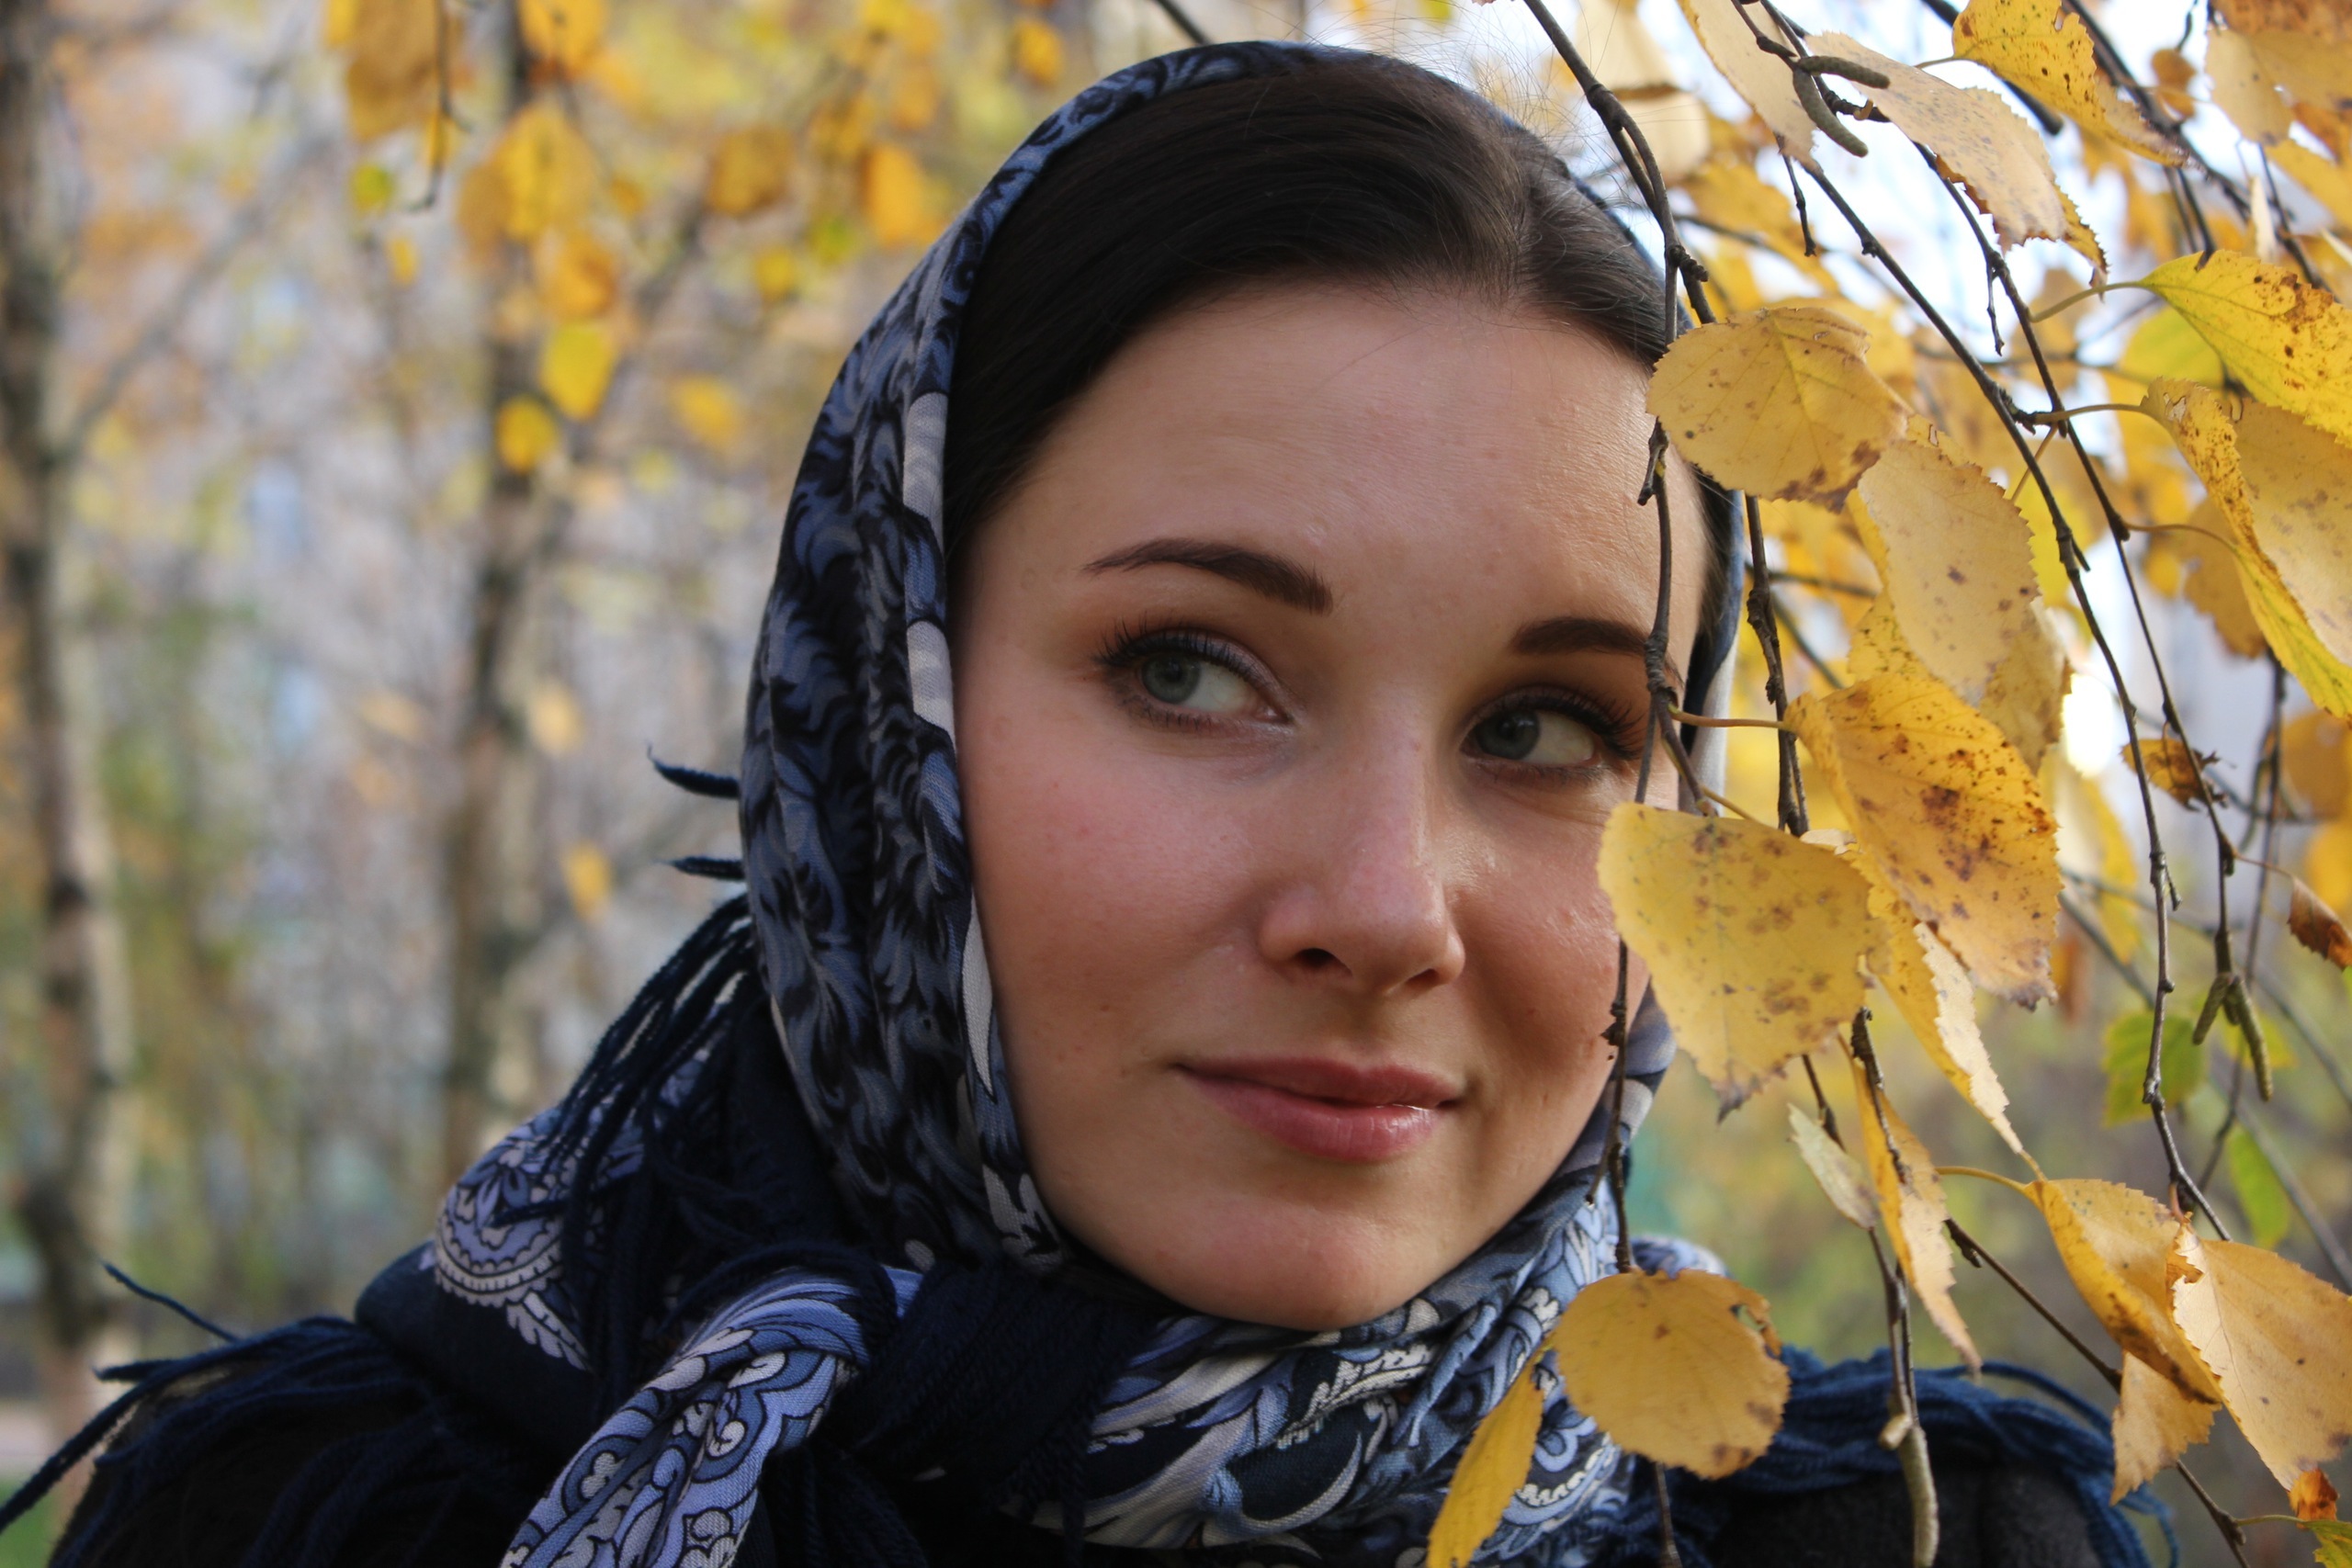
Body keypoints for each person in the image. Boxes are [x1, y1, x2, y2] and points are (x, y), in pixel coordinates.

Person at [7, 41, 2156, 1568]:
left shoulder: (1922, 1537)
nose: (1384, 905)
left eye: (1541, 728)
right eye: (1187, 670)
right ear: (880, 717)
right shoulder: (327, 1515)